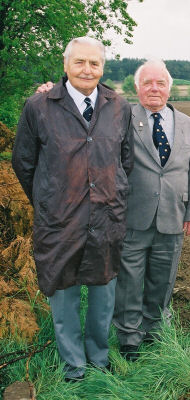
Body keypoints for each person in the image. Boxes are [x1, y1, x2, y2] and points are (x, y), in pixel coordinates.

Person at [12, 37, 134, 381]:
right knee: (62, 295)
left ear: (103, 68)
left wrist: (112, 195)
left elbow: (126, 162)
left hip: (106, 219)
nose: (87, 69)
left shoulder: (118, 107)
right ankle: (73, 367)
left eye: (94, 63)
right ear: (66, 66)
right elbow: (24, 162)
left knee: (102, 293)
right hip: (59, 222)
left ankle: (98, 358)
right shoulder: (39, 106)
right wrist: (51, 200)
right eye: (79, 62)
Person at [112, 59, 190, 360]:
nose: (154, 88)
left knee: (163, 279)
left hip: (173, 216)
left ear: (169, 88)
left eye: (160, 83)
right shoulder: (121, 117)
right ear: (136, 87)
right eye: (147, 82)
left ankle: (156, 332)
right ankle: (129, 337)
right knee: (129, 279)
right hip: (132, 215)